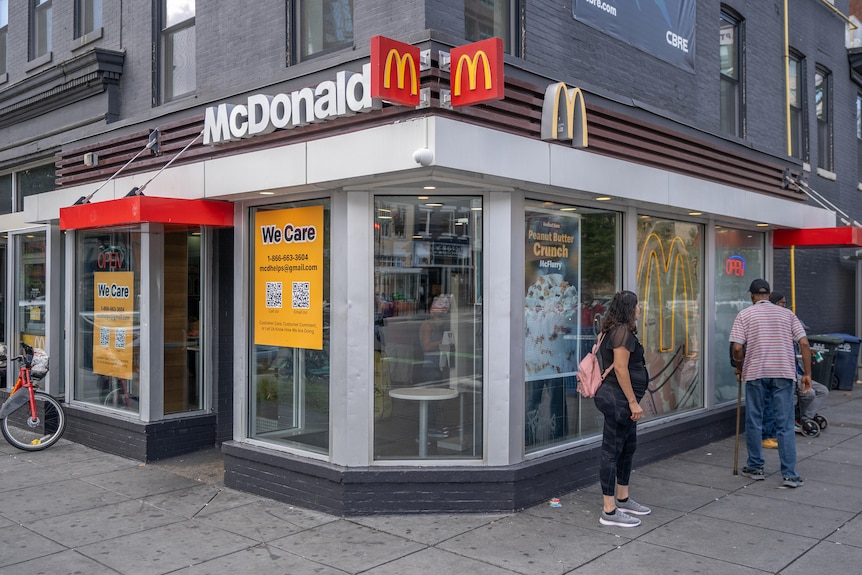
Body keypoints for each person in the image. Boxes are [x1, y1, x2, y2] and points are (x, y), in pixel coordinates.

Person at [730, 279, 812, 488]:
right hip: (783, 372)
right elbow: (803, 342)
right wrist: (807, 374)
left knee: (754, 419)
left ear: (752, 296)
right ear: (769, 295)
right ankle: (790, 474)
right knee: (784, 423)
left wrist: (739, 366)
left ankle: (756, 466)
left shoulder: (745, 315)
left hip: (756, 372)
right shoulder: (787, 315)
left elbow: (738, 348)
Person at [594, 290, 651, 527]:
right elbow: (620, 368)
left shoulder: (616, 330)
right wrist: (632, 401)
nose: (640, 309)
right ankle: (609, 511)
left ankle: (623, 497)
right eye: (637, 306)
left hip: (621, 400)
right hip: (618, 400)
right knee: (612, 450)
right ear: (629, 309)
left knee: (628, 447)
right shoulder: (621, 332)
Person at [769, 292, 829, 423]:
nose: (785, 306)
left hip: (798, 373)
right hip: (787, 373)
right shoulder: (779, 324)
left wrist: (808, 352)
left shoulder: (790, 321)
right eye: (782, 303)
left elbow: (803, 344)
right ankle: (800, 418)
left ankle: (806, 417)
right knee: (809, 393)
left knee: (823, 391)